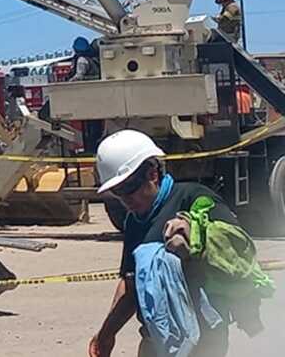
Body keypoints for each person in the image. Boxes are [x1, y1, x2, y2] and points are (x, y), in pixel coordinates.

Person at [88, 130, 242, 357]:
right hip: (155, 340)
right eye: (116, 192)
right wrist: (107, 332)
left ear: (152, 173)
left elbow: (238, 248)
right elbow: (131, 285)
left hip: (203, 341)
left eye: (129, 188)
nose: (125, 199)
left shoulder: (194, 199)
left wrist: (196, 241)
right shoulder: (134, 221)